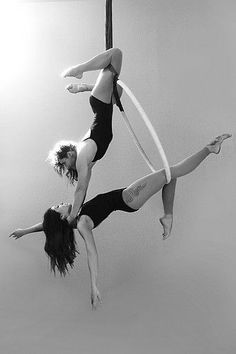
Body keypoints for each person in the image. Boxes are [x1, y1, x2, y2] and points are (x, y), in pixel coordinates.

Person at [10, 134, 231, 309]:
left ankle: (167, 216)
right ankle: (209, 150)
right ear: (61, 216)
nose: (59, 203)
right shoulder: (82, 223)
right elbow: (92, 252)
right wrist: (94, 285)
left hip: (127, 198)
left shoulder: (72, 218)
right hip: (129, 198)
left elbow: (46, 226)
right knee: (171, 171)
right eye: (57, 206)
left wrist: (25, 230)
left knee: (170, 174)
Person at [47, 48, 123, 226]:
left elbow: (79, 189)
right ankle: (84, 86)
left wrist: (72, 216)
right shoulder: (87, 163)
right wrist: (74, 213)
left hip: (99, 102)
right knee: (118, 91)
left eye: (64, 164)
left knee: (115, 54)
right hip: (105, 101)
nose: (67, 168)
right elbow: (84, 187)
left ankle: (78, 70)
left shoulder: (81, 156)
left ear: (69, 155)